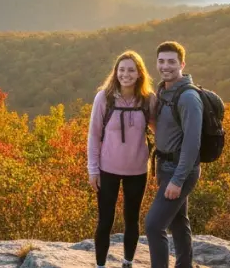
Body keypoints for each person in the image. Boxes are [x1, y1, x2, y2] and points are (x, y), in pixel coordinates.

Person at [87, 50, 157, 268]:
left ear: (139, 74)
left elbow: (160, 132)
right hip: (107, 169)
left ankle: (127, 262)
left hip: (137, 170)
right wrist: (93, 169)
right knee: (105, 220)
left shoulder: (148, 100)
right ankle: (100, 265)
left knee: (132, 219)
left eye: (131, 70)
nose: (125, 74)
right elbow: (94, 134)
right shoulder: (104, 98)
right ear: (115, 72)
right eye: (122, 69)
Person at [144, 41, 203, 268]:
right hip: (165, 166)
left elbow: (191, 143)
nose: (165, 66)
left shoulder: (188, 98)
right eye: (161, 61)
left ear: (182, 64)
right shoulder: (164, 91)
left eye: (171, 61)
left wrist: (178, 180)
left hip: (181, 170)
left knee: (153, 225)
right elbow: (165, 130)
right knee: (178, 221)